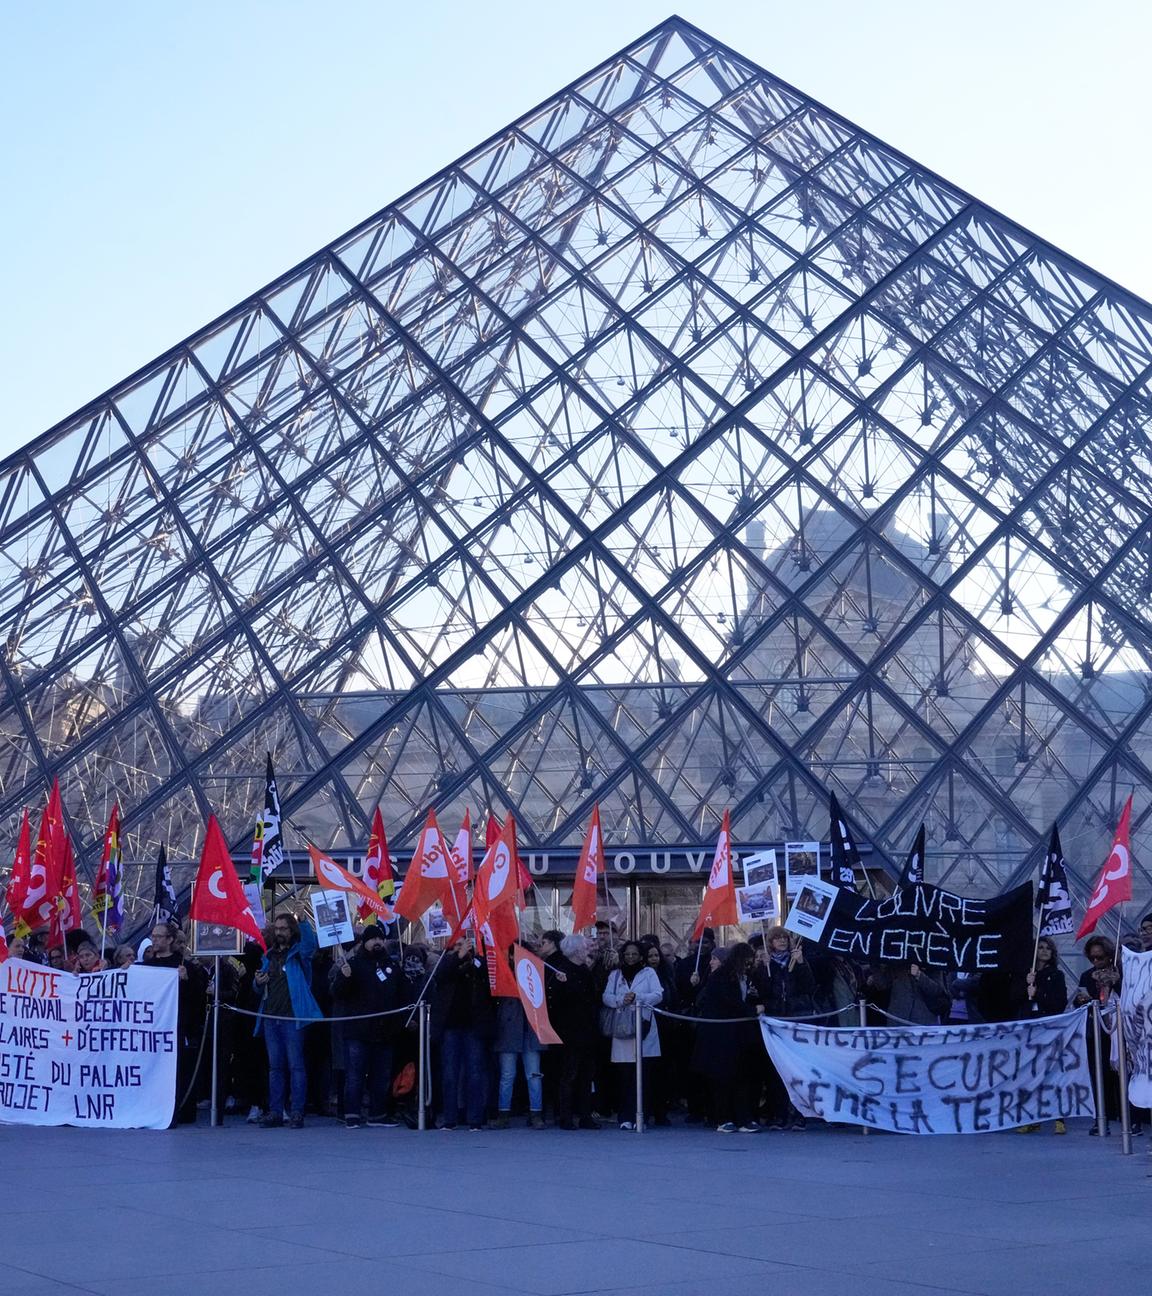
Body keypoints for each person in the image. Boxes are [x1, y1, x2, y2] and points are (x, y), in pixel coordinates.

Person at [332, 926, 409, 1129]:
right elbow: (338, 994)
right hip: (358, 1030)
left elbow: (403, 994)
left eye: (380, 938)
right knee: (355, 1074)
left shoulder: (391, 965)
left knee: (381, 1075)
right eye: (373, 938)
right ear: (364, 942)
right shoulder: (354, 965)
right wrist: (344, 977)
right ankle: (352, 1113)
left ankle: (378, 1113)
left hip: (385, 1031)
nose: (377, 942)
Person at [254, 913, 322, 1129]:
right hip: (271, 1017)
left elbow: (310, 945)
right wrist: (257, 982)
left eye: (284, 928)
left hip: (292, 1017)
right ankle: (275, 1111)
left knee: (296, 1066)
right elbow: (257, 987)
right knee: (275, 1067)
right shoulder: (269, 956)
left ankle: (296, 1112)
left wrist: (303, 921)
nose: (279, 932)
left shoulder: (298, 955)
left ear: (292, 931)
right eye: (277, 928)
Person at [693, 943, 762, 1133]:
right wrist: (752, 1010)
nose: (751, 965)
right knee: (723, 1078)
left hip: (739, 1034)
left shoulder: (745, 978)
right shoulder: (721, 977)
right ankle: (723, 1118)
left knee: (741, 1077)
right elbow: (729, 1002)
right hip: (720, 1034)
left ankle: (743, 1118)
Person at [430, 936, 494, 1131]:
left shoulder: (479, 964)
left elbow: (487, 976)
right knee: (450, 1073)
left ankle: (475, 1118)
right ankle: (450, 1118)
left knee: (475, 1073)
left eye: (465, 945)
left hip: (473, 1027)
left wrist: (473, 957)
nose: (462, 948)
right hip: (450, 1026)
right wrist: (458, 956)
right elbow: (440, 975)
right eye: (458, 945)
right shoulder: (447, 962)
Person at [149, 920, 210, 1125]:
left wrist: (186, 981)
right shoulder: (146, 965)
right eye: (153, 936)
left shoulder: (185, 966)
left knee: (179, 1070)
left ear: (170, 939)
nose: (154, 940)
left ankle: (180, 1109)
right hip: (153, 1027)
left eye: (159, 936)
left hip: (177, 1026)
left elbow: (199, 998)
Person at [602, 939, 663, 1130]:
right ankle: (625, 1116)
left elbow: (658, 994)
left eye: (634, 954)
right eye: (627, 954)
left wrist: (638, 998)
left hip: (643, 1027)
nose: (630, 957)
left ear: (641, 956)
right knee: (625, 1076)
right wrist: (622, 999)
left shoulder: (649, 973)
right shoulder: (615, 975)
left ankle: (642, 1115)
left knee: (643, 1076)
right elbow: (606, 997)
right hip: (622, 1029)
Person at [1011, 936, 1070, 1135]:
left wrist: (1038, 993)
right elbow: (1015, 1000)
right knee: (1030, 1073)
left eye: (1048, 948)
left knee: (1052, 1073)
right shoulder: (1026, 975)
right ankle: (1032, 1117)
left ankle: (1058, 1117)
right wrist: (1025, 987)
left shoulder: (1056, 975)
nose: (1044, 951)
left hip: (1049, 1028)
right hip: (1029, 1028)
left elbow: (1058, 1002)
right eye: (1041, 947)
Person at [551, 934, 600, 1129]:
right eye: (584, 947)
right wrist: (561, 984)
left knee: (587, 1075)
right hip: (570, 1032)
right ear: (576, 950)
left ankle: (585, 1115)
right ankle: (566, 1117)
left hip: (587, 1031)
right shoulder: (562, 972)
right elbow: (556, 1001)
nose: (587, 950)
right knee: (569, 1075)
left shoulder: (584, 970)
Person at [1073, 935, 1121, 1133]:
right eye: (1092, 958)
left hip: (1118, 1030)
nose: (1096, 962)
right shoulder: (1087, 976)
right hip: (1096, 1030)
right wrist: (1083, 999)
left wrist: (1112, 984)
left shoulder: (1120, 975)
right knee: (1098, 1073)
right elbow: (1077, 1001)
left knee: (1118, 1074)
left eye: (1099, 958)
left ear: (1109, 956)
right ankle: (1102, 1117)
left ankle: (1126, 1115)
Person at [492, 993, 547, 1129]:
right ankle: (506, 1114)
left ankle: (533, 1113)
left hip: (526, 1029)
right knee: (513, 1075)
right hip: (515, 1028)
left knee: (529, 1075)